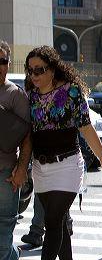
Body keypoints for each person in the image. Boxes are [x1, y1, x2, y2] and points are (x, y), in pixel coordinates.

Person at [24, 46, 102, 260]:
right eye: (30, 70)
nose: (34, 75)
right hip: (41, 169)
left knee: (52, 221)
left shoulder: (71, 92)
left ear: (52, 69)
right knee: (58, 222)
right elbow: (28, 135)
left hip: (68, 166)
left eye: (39, 70)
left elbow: (86, 127)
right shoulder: (30, 96)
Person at [0, 40, 32, 260]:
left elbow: (27, 138)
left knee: (2, 245)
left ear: (8, 64)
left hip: (6, 174)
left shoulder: (15, 95)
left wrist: (21, 170)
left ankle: (12, 255)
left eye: (2, 61)